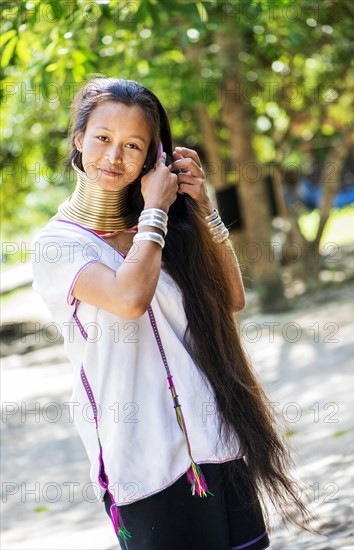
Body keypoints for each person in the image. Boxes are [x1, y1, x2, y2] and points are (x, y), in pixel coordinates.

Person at [32, 77, 318, 550]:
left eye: (133, 145)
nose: (113, 156)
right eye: (103, 138)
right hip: (140, 456)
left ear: (153, 158)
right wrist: (155, 213)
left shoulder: (165, 225)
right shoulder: (58, 245)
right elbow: (129, 299)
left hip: (215, 435)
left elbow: (231, 297)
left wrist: (202, 210)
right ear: (79, 139)